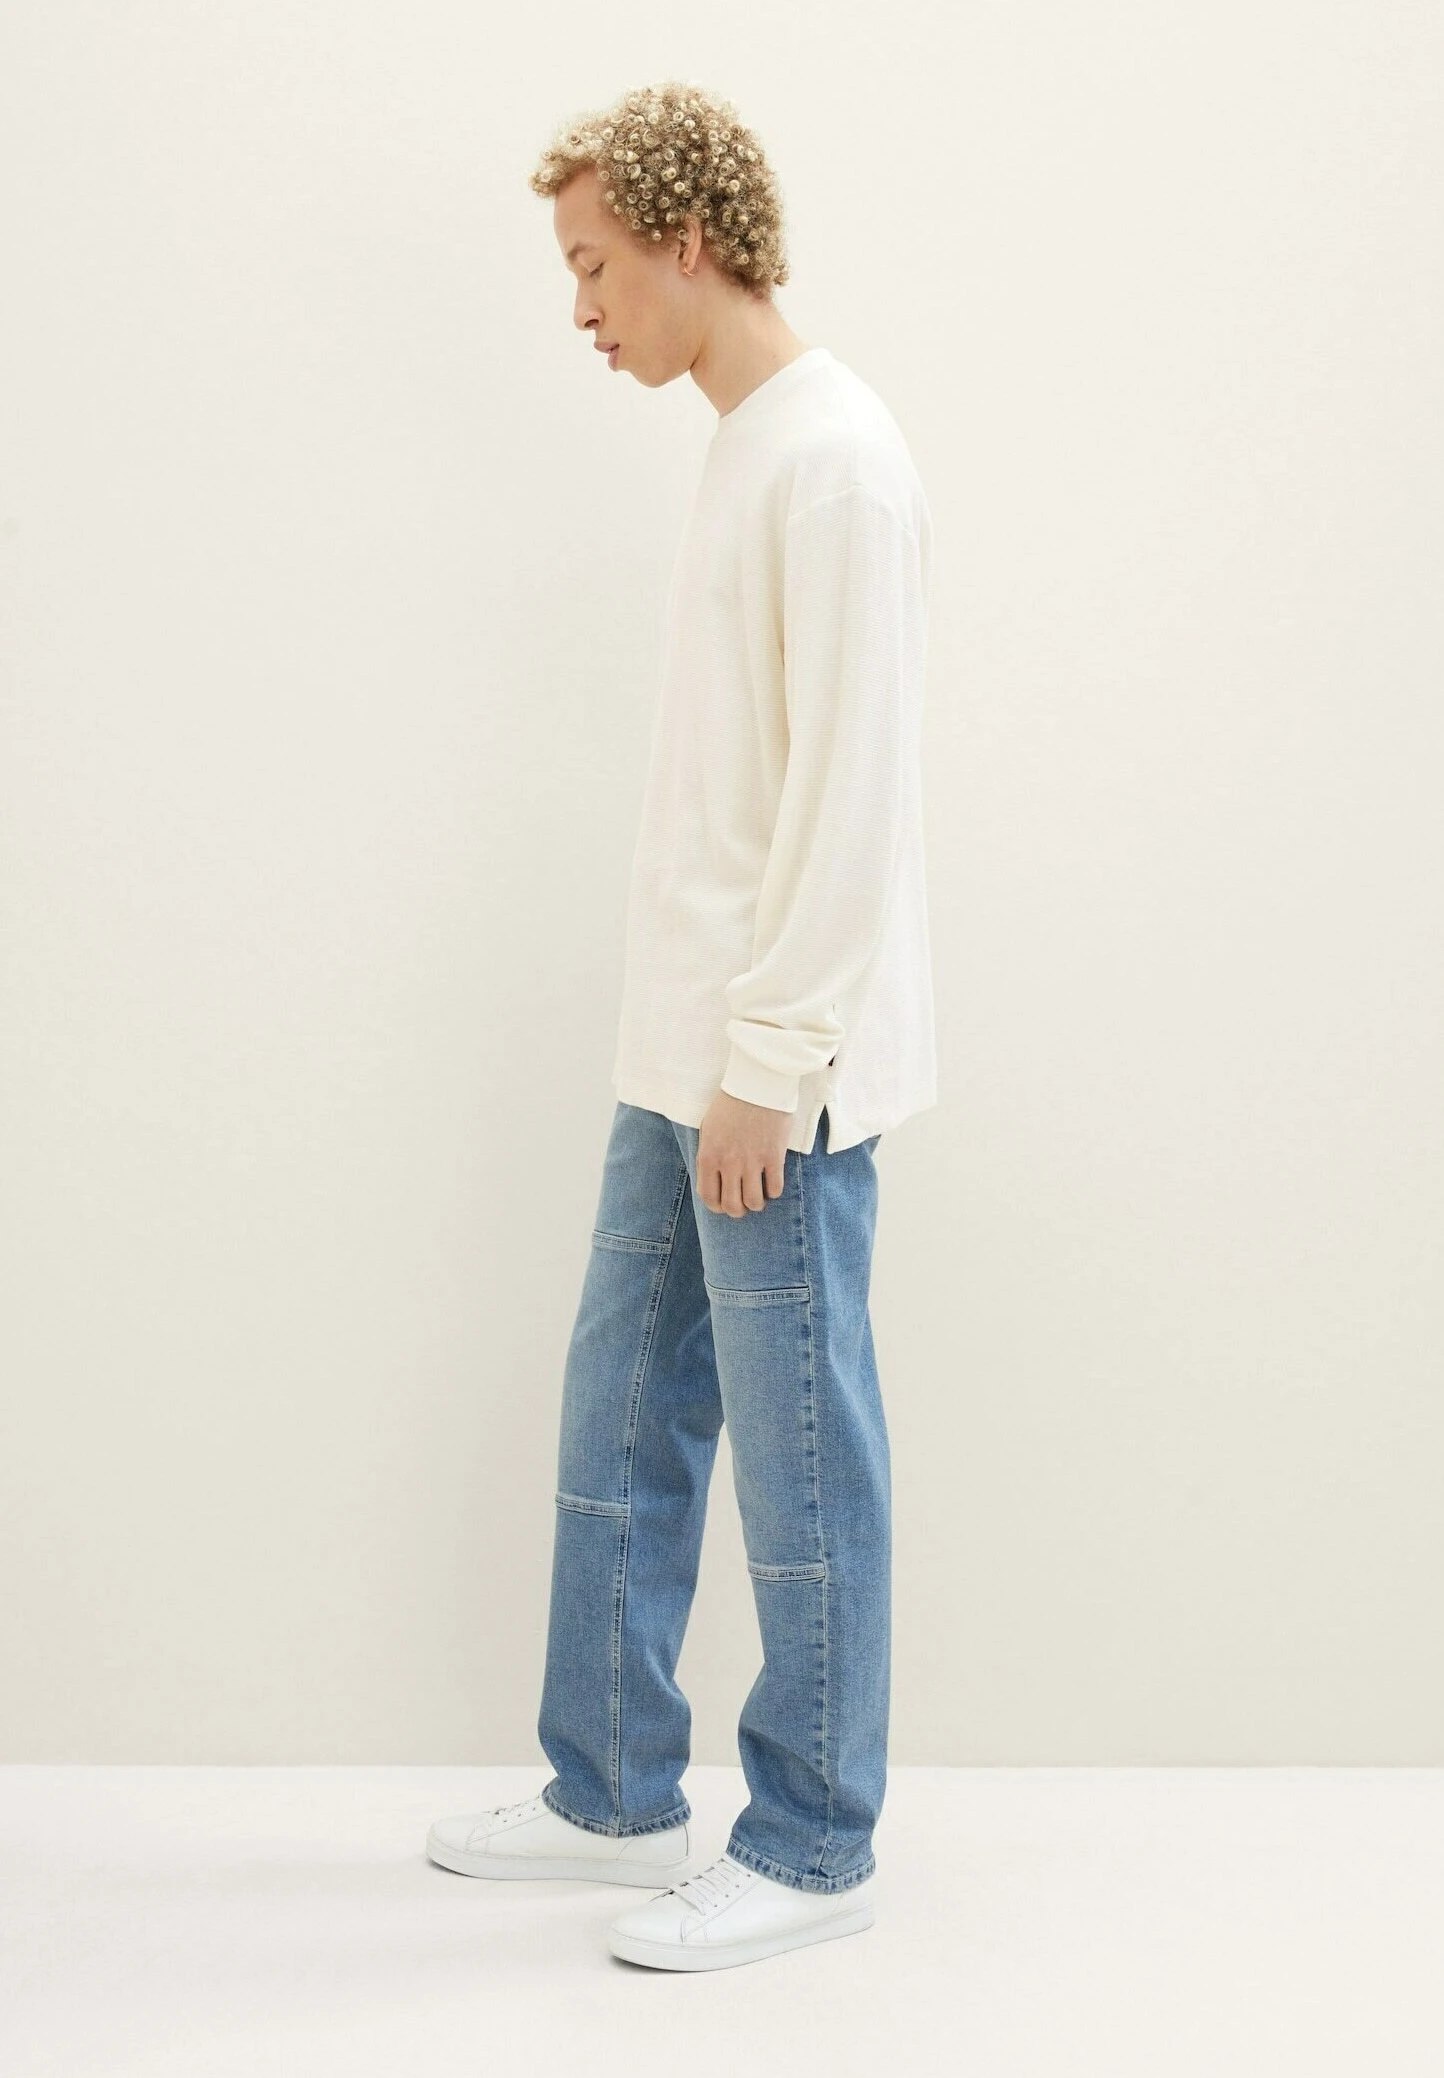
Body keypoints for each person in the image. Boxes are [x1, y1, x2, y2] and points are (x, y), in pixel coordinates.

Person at [427, 79, 936, 1973]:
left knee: (802, 1452)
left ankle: (813, 1839)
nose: (579, 308)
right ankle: (613, 1785)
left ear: (688, 239)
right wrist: (695, 1054)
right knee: (619, 1413)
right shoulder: (748, 447)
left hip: (770, 1078)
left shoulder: (837, 461)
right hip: (684, 1057)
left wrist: (772, 1065)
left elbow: (851, 799)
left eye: (592, 264)